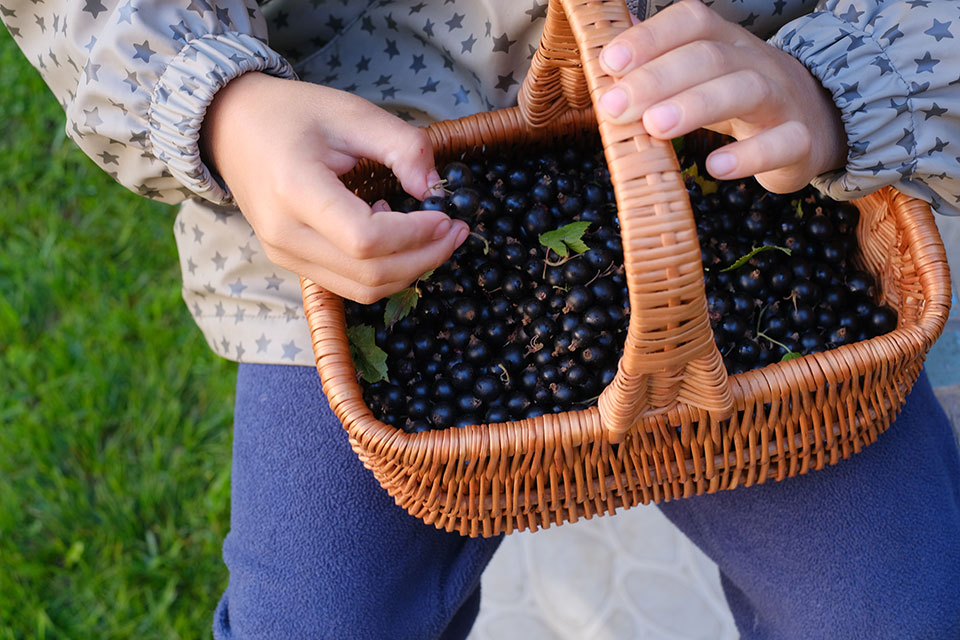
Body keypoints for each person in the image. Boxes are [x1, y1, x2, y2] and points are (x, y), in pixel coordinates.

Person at [3, 0, 959, 637]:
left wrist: (849, 82)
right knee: (314, 617)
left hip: (747, 167)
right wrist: (220, 104)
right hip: (357, 221)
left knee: (899, 604)